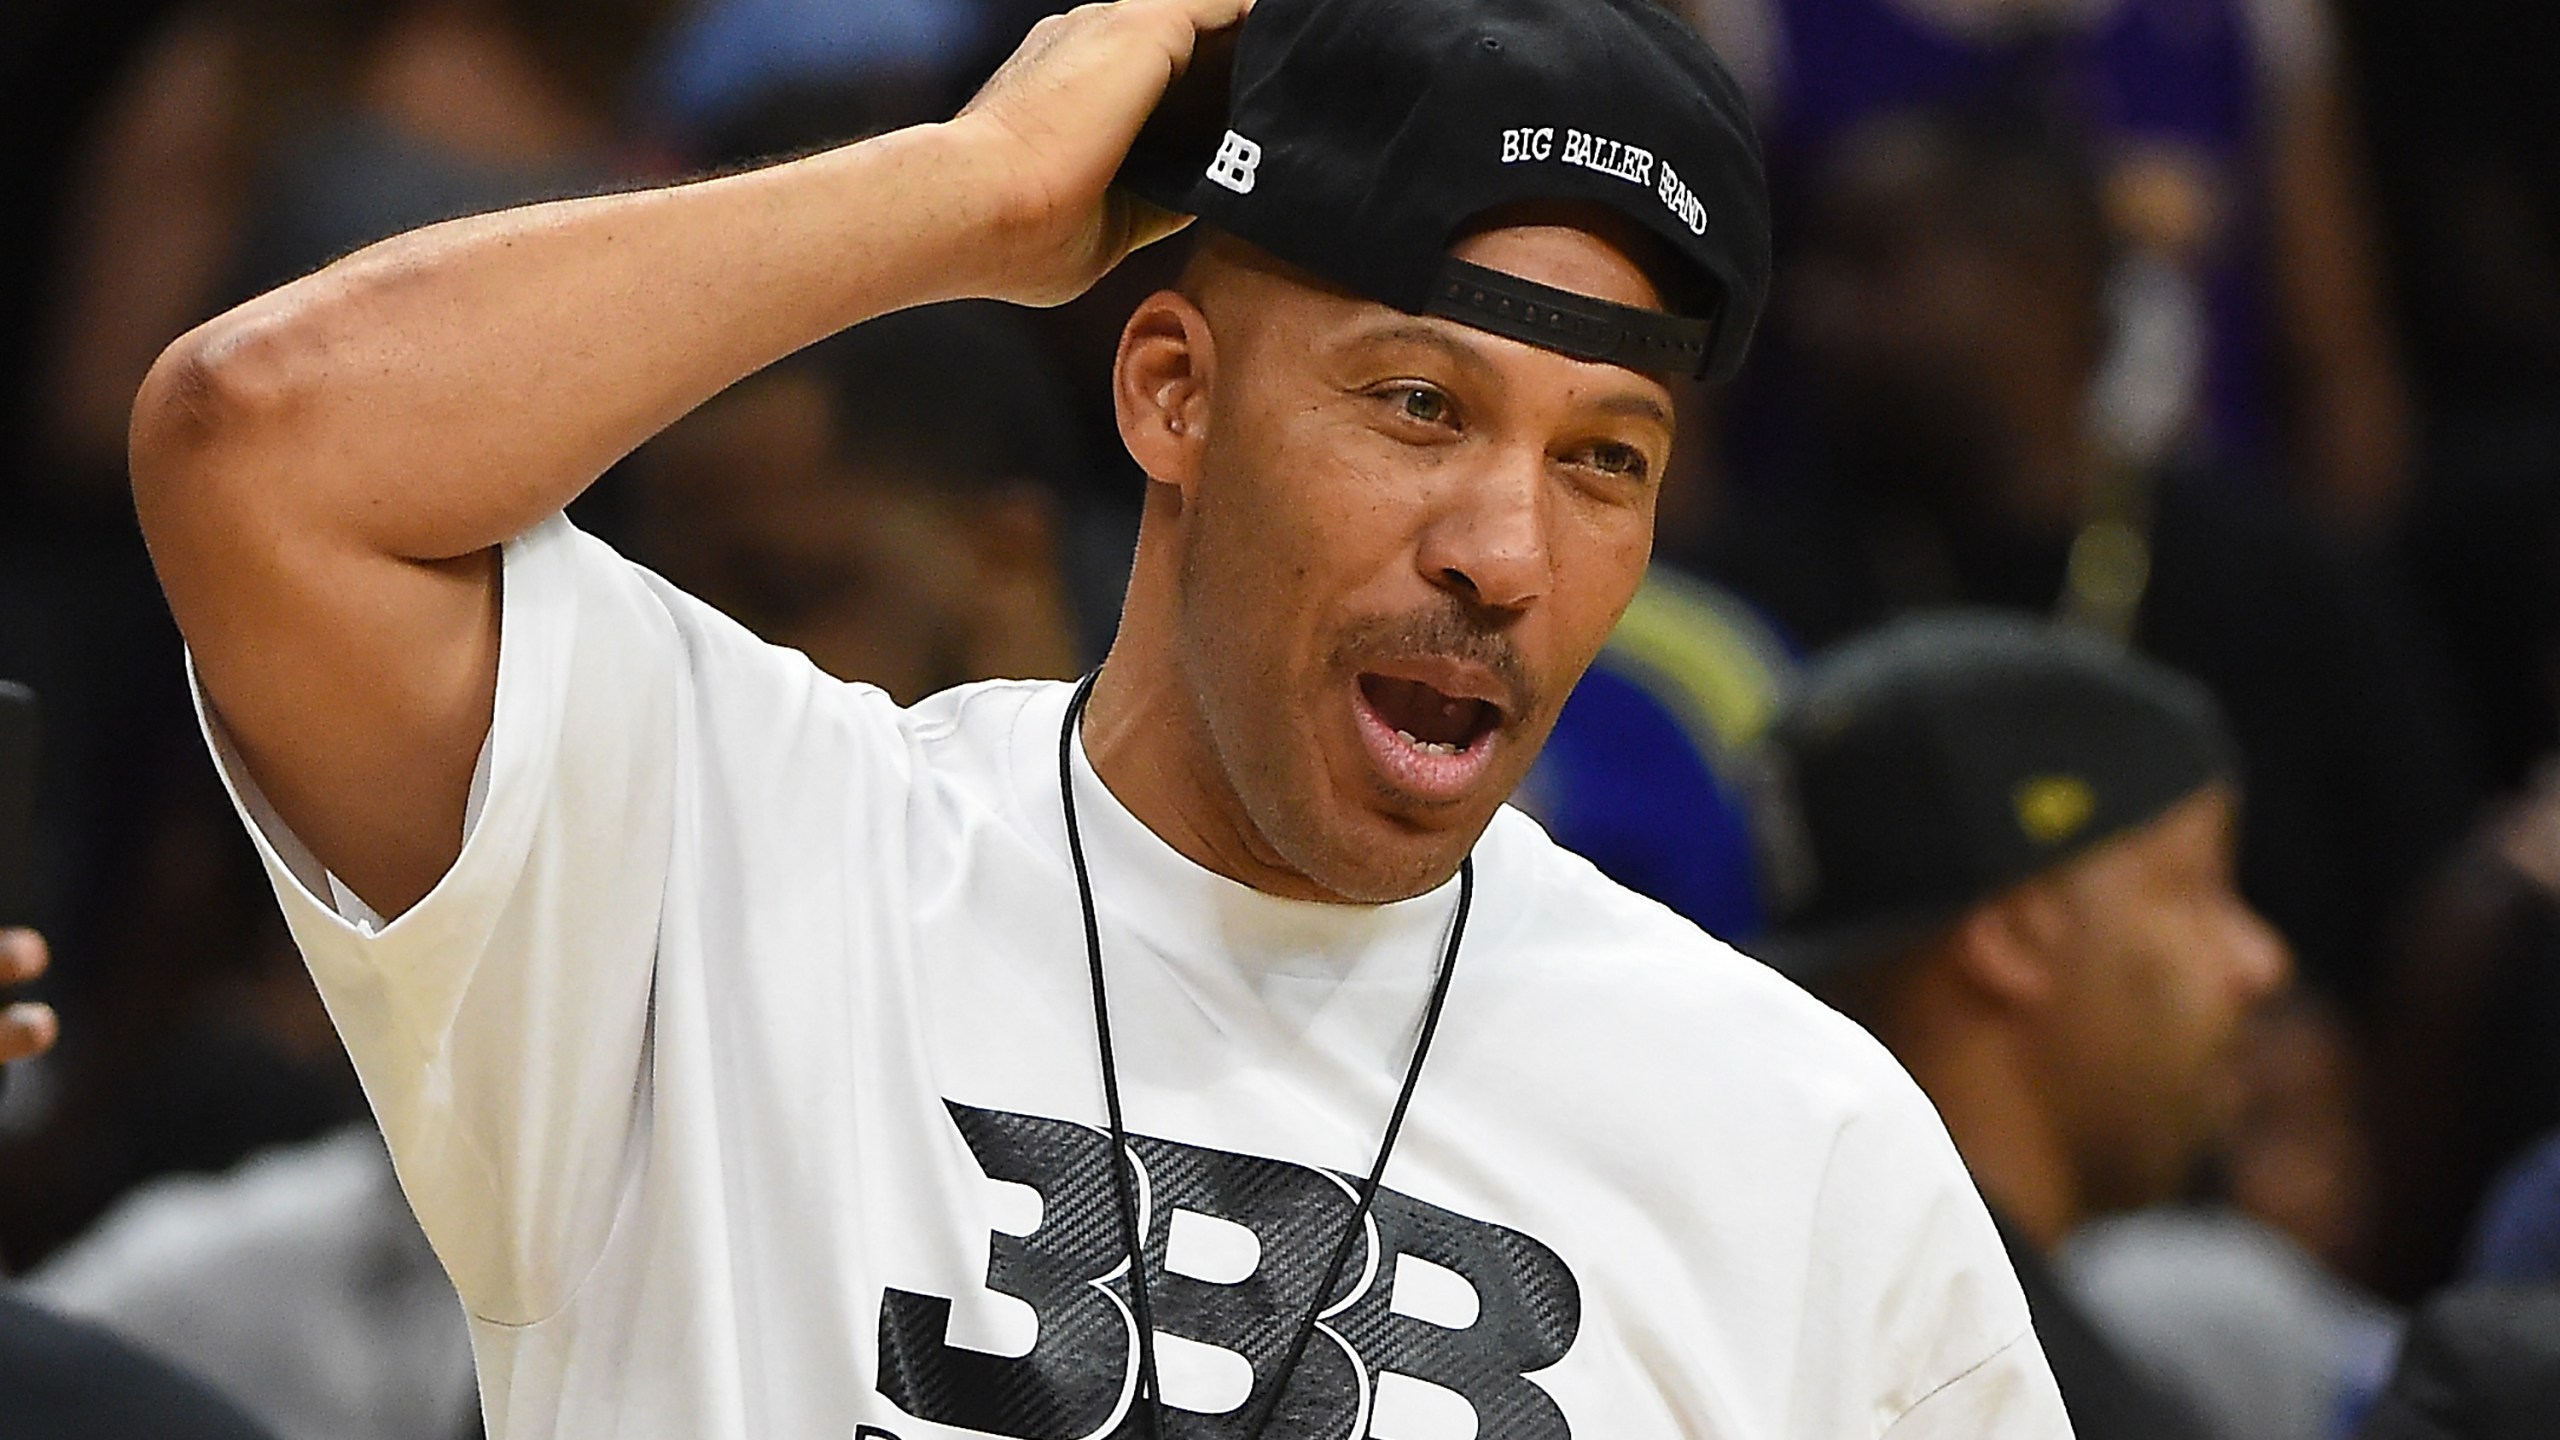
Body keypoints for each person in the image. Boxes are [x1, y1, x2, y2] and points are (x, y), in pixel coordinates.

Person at [130, 1, 2072, 1437]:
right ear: (1169, 395)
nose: (1503, 550)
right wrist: (967, 198)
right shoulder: (729, 855)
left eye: (1604, 458)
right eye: (1416, 405)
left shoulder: (1796, 1142)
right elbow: (262, 451)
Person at [1705, 100, 2473, 1015]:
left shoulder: (2275, 577)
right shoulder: (1748, 588)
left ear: (2051, 286)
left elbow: (2425, 900)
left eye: (1875, 264)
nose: (1810, 312)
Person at [1754, 612, 2290, 1440]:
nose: (2261, 960)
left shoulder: (1745, 1301)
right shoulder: (1994, 1392)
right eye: (2198, 886)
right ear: (2015, 935)